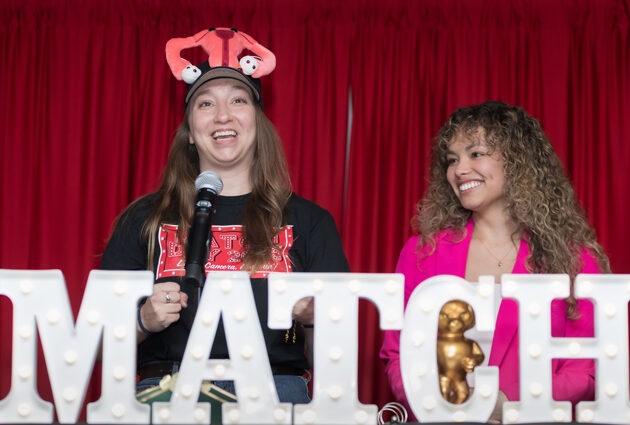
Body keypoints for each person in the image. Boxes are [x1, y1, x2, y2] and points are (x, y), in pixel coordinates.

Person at [100, 28, 349, 404]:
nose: (222, 116)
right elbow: (98, 341)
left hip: (276, 393)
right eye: (205, 104)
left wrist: (315, 320)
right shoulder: (144, 219)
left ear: (258, 122)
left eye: (237, 100)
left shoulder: (310, 221)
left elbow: (339, 361)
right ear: (188, 131)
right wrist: (142, 321)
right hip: (167, 390)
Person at [379, 101, 610, 422]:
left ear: (518, 162)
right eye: (452, 159)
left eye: (476, 154)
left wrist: (511, 404)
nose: (459, 169)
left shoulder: (573, 260)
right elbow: (397, 355)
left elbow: (587, 368)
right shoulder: (422, 252)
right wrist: (452, 408)